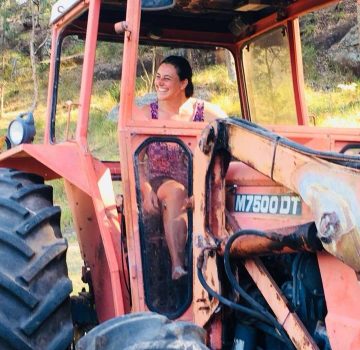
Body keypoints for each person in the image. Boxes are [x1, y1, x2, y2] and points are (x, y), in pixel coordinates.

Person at [135, 55, 226, 280]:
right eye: (158, 77)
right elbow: (136, 157)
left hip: (200, 183)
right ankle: (179, 267)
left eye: (167, 78)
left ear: (183, 83)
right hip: (159, 182)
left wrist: (205, 190)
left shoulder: (206, 112)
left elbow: (231, 135)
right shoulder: (148, 114)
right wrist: (145, 190)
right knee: (176, 192)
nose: (160, 83)